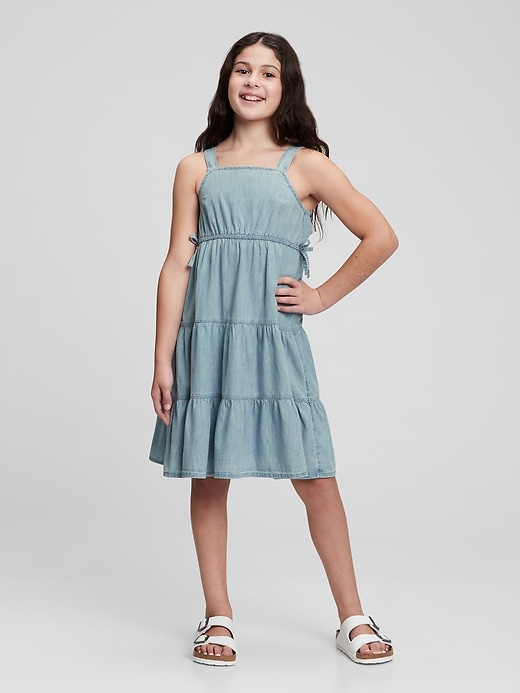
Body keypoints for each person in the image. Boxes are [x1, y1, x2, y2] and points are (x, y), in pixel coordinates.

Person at [149, 31, 398, 667]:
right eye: (242, 70)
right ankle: (218, 614)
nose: (253, 82)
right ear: (226, 81)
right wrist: (162, 357)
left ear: (286, 87)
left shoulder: (306, 164)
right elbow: (177, 263)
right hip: (207, 338)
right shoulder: (196, 168)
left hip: (272, 338)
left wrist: (322, 296)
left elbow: (380, 235)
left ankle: (353, 616)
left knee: (315, 474)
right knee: (209, 474)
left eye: (267, 72)